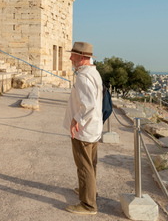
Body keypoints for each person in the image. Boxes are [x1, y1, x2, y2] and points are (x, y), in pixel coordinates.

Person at [63, 42, 103, 215]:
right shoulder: (93, 73)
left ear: (81, 57)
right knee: (90, 163)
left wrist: (75, 120)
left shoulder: (83, 77)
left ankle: (88, 205)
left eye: (73, 55)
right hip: (93, 127)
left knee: (84, 165)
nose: (70, 58)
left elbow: (89, 106)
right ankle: (89, 191)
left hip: (84, 128)